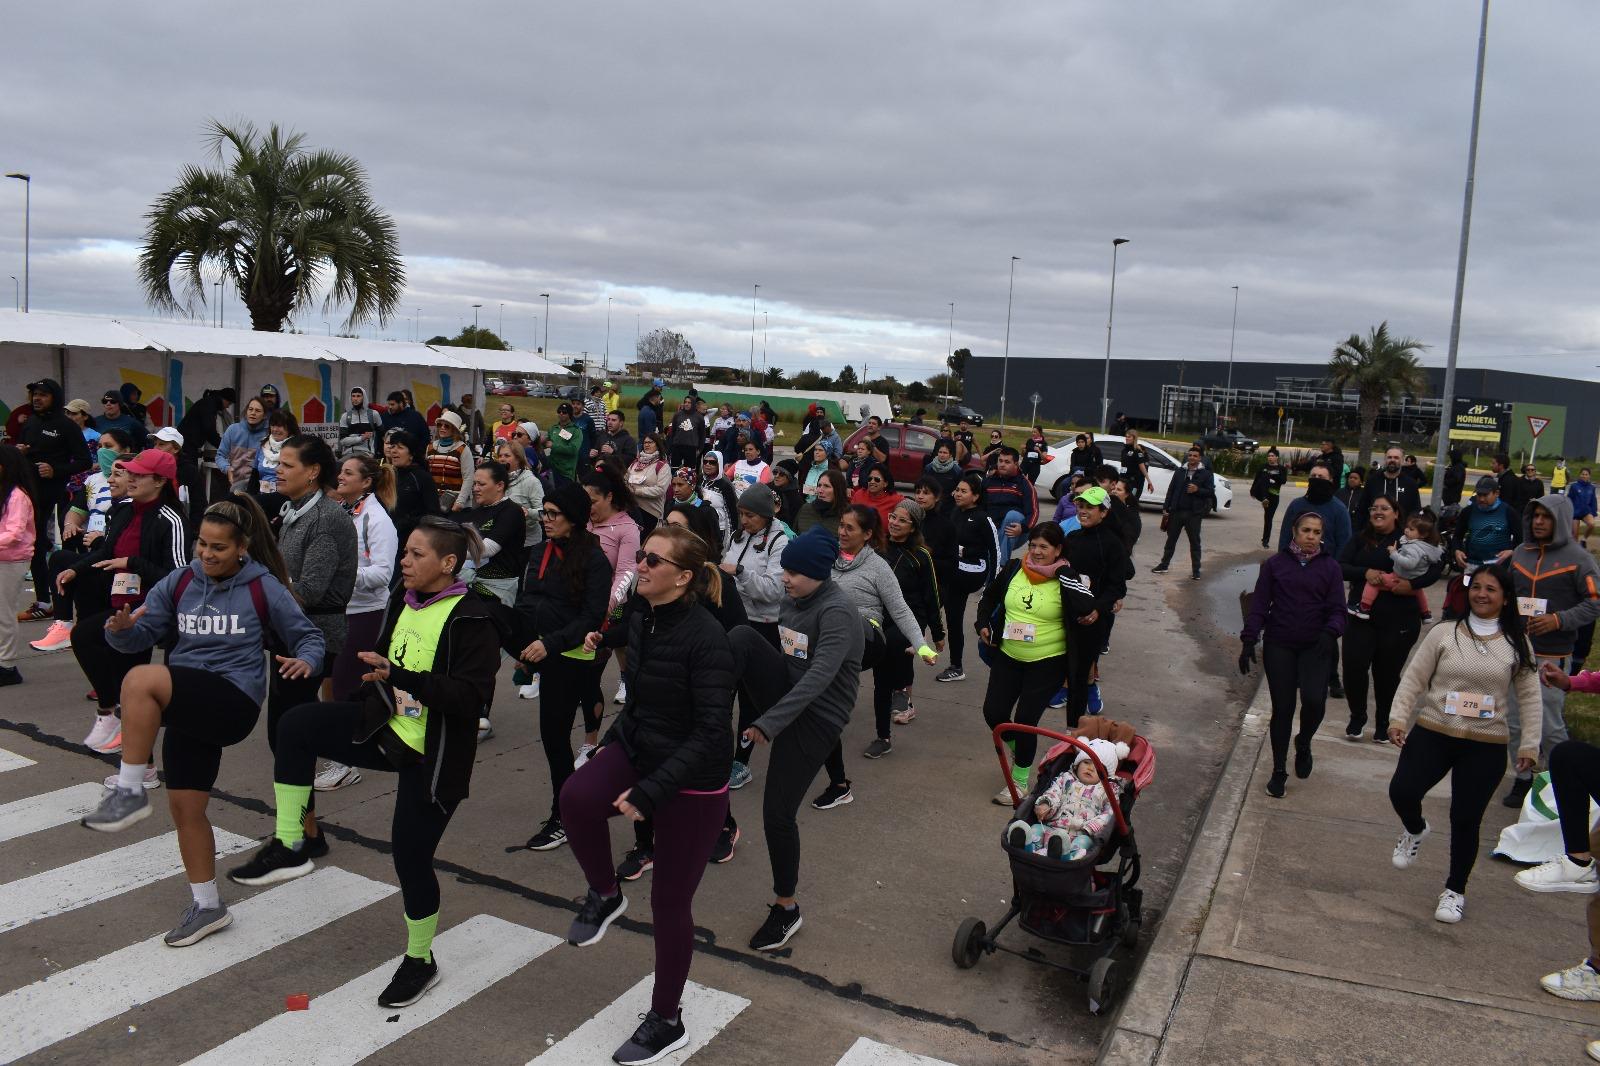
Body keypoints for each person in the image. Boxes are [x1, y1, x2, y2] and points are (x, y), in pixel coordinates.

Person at [230, 517, 501, 1010]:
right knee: (297, 725)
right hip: (384, 730)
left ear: (448, 564)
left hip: (433, 756)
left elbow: (471, 698)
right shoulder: (406, 597)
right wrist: (368, 690)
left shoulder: (473, 619)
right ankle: (293, 841)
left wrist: (403, 676)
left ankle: (421, 961)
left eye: (417, 555)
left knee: (410, 858)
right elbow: (387, 662)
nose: (405, 561)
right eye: (406, 552)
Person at [77, 496, 324, 949]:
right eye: (202, 545)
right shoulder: (179, 582)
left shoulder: (262, 586)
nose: (207, 555)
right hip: (189, 701)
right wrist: (121, 630)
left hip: (233, 700)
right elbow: (140, 637)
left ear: (242, 549)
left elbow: (308, 635)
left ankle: (130, 789)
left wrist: (306, 661)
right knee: (186, 809)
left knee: (140, 680)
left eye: (219, 548)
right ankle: (208, 905)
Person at [559, 524, 734, 1064]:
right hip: (642, 745)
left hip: (695, 781)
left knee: (669, 903)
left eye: (655, 561)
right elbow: (640, 700)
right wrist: (613, 747)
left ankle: (667, 1018)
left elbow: (710, 734)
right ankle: (606, 894)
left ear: (683, 577)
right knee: (575, 797)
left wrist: (652, 790)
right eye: (642, 557)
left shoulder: (708, 640)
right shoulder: (643, 616)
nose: (642, 565)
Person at [727, 526, 864, 951]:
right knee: (742, 637)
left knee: (777, 813)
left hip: (818, 716)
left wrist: (769, 722)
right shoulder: (793, 597)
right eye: (784, 570)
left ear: (819, 573)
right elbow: (784, 654)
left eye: (793, 573)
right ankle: (699, 701)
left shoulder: (838, 612)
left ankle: (786, 909)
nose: (784, 579)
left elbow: (819, 679)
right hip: (788, 691)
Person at [1386, 564, 1541, 924]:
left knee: (1466, 819)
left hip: (1485, 745)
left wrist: (1529, 745)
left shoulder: (1517, 644)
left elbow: (1531, 698)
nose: (1482, 595)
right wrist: (1398, 718)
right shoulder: (1444, 633)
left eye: (1491, 590)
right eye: (1477, 587)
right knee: (1402, 791)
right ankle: (1414, 828)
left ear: (1505, 599)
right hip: (1434, 731)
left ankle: (1454, 891)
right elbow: (1414, 679)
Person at [64, 448, 190, 762]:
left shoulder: (171, 519)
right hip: (122, 606)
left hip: (149, 611)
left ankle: (138, 763)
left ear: (160, 481)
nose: (129, 479)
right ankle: (111, 714)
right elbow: (106, 551)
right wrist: (75, 569)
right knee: (86, 639)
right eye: (128, 473)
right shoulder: (124, 510)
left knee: (129, 683)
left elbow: (178, 576)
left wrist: (132, 562)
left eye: (138, 474)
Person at [265, 435, 358, 849]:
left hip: (314, 637)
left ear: (313, 471)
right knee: (282, 734)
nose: (278, 470)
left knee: (290, 733)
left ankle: (304, 833)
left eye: (287, 464)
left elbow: (312, 590)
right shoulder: (292, 511)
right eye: (279, 463)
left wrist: (261, 582)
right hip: (290, 635)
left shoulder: (326, 518)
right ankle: (304, 828)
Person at [516, 484, 612, 852]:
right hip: (543, 652)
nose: (546, 519)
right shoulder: (540, 550)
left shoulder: (593, 559)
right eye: (544, 512)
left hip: (572, 657)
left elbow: (591, 616)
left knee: (555, 738)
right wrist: (524, 645)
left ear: (573, 517)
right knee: (553, 738)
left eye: (553, 514)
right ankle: (568, 807)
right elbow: (529, 600)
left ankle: (564, 815)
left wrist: (550, 643)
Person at [975, 522, 1095, 804]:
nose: (1037, 552)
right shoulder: (1014, 568)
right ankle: (1020, 747)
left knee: (1026, 720)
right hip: (1008, 654)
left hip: (1047, 661)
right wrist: (982, 624)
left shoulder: (1067, 576)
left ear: (1058, 550)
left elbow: (1085, 607)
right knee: (993, 713)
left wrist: (1064, 573)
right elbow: (989, 597)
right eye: (1033, 546)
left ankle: (1018, 782)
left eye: (1044, 547)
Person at [1499, 493, 1600, 809]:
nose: (1539, 521)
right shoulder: (1520, 553)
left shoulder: (1579, 558)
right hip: (1515, 652)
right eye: (1535, 516)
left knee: (1549, 724)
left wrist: (1559, 620)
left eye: (1546, 516)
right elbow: (1506, 594)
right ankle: (1523, 779)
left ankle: (1562, 783)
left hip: (1552, 657)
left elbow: (1595, 602)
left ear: (1559, 519)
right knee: (1515, 721)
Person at [1240, 511, 1347, 797]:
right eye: (1306, 531)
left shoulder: (1330, 568)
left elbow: (1338, 609)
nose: (1312, 537)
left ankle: (1304, 741)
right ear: (1294, 532)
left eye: (1317, 532)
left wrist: (1331, 631)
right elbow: (1260, 604)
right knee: (1283, 710)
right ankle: (1278, 770)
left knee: (1314, 702)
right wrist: (1249, 639)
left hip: (1316, 645)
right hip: (1280, 644)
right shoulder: (1275, 565)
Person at [315, 454, 398, 793]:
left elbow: (382, 575)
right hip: (335, 609)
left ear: (366, 482)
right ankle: (342, 741)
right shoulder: (342, 510)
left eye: (348, 472)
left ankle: (347, 762)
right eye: (340, 471)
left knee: (347, 683)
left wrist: (341, 575)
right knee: (331, 679)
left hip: (364, 612)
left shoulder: (378, 520)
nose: (340, 476)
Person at [1339, 496, 1441, 742]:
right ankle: (1357, 716)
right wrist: (1365, 572)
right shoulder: (1360, 538)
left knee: (1386, 674)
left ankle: (1384, 722)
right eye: (1374, 507)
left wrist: (1411, 585)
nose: (1377, 511)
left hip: (1399, 619)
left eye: (1384, 508)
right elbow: (1339, 565)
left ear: (1397, 514)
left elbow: (1437, 567)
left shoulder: (1411, 538)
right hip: (1361, 616)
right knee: (1353, 667)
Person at [18, 378, 92, 620]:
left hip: (58, 495)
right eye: (35, 394)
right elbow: (26, 448)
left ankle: (66, 601)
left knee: (59, 548)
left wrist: (55, 470)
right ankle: (43, 601)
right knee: (35, 546)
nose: (37, 398)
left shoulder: (67, 426)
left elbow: (84, 461)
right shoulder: (30, 422)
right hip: (29, 493)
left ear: (55, 398)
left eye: (43, 395)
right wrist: (21, 452)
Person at [1061, 486, 1128, 721]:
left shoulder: (1112, 544)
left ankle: (1074, 731)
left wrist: (1097, 610)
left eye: (1090, 507)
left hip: (1093, 620)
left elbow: (1117, 586)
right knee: (1063, 668)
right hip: (1066, 615)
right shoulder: (1072, 538)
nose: (1083, 511)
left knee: (1079, 675)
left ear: (1104, 512)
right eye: (1081, 506)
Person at [882, 499, 945, 726]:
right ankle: (891, 694)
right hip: (883, 614)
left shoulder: (921, 555)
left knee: (900, 647)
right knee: (885, 653)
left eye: (902, 520)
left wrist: (938, 632)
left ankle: (906, 701)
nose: (895, 523)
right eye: (892, 517)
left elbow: (932, 596)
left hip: (911, 615)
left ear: (914, 527)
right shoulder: (878, 547)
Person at [1005, 738, 1124, 860]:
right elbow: (1053, 793)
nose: (1090, 768)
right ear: (1077, 765)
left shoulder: (1108, 790)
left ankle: (1068, 856)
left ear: (1106, 774)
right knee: (1035, 829)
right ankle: (1028, 847)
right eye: (1087, 762)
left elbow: (1109, 813)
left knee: (1083, 843)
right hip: (1052, 828)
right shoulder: (1065, 779)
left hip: (1081, 833)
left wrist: (1092, 827)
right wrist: (1046, 804)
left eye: (1097, 767)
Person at [939, 472, 999, 684]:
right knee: (954, 617)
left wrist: (992, 586)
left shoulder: (983, 519)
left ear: (976, 496)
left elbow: (996, 552)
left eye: (963, 491)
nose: (957, 494)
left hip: (975, 569)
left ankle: (931, 606)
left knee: (941, 569)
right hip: (956, 572)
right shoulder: (954, 512)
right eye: (957, 490)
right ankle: (956, 666)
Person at [1352, 511, 1442, 621]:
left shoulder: (1414, 548)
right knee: (1419, 592)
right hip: (1414, 580)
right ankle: (1426, 614)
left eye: (1411, 529)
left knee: (1373, 582)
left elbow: (1409, 564)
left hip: (1399, 577)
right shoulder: (1428, 547)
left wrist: (1394, 553)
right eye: (1407, 527)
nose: (1406, 530)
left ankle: (1364, 608)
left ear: (1423, 535)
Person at [0, 445, 36, 686]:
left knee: (3, 614)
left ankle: (6, 666)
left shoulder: (17, 496)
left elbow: (14, 533)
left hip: (11, 561)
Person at [1154, 445, 1215, 580]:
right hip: (1176, 511)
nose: (1192, 457)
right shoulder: (1180, 471)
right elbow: (1171, 489)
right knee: (1171, 540)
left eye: (1195, 456)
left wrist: (1197, 489)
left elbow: (1210, 492)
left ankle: (1196, 571)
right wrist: (1166, 506)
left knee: (1194, 543)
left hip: (1193, 514)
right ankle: (1164, 565)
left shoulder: (1206, 474)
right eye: (1190, 455)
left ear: (1200, 458)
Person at [1277, 461, 1354, 560]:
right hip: (1294, 565)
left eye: (1321, 477)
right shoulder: (1296, 505)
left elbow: (1344, 544)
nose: (1316, 479)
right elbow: (1285, 537)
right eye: (1313, 476)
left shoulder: (1339, 509)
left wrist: (1335, 569)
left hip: (1325, 568)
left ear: (1331, 481)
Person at [384, 430, 441, 561]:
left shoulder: (422, 477)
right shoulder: (388, 476)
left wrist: (404, 523)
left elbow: (433, 514)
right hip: (388, 542)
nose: (394, 451)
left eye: (400, 447)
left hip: (411, 544)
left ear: (411, 454)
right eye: (392, 446)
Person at [984, 446, 1039, 561]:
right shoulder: (988, 481)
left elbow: (1033, 512)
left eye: (1007, 462)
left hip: (1016, 531)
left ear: (1016, 464)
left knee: (1013, 515)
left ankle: (1000, 565)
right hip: (991, 529)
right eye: (1000, 461)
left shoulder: (1024, 484)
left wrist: (1023, 528)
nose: (1002, 464)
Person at [1352, 446, 1423, 531]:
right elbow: (1362, 509)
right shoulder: (1373, 481)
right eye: (1389, 457)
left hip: (1401, 534)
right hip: (1373, 534)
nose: (1392, 460)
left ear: (1402, 460)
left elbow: (1415, 511)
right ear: (1385, 459)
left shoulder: (1410, 484)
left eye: (1396, 458)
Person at [217, 396, 268, 497]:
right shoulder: (233, 430)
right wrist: (227, 468)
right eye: (250, 409)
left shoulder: (268, 435)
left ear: (264, 415)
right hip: (234, 486)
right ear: (246, 411)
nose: (253, 413)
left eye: (257, 411)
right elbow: (220, 456)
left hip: (259, 489)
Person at [425, 410, 475, 512]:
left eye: (447, 426)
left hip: (456, 506)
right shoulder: (430, 447)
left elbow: (469, 477)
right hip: (435, 503)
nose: (442, 428)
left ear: (454, 430)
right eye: (440, 425)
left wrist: (460, 502)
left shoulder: (463, 449)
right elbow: (427, 475)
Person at [254, 408, 298, 499]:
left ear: (290, 428)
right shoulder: (263, 444)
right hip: (262, 494)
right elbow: (254, 475)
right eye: (273, 425)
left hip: (285, 496)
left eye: (280, 426)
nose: (275, 429)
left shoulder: (296, 447)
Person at [1250, 448, 1288, 549]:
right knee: (1264, 477)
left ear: (1277, 457)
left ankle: (1265, 540)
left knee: (1268, 518)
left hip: (1274, 495)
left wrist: (1274, 475)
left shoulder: (1281, 469)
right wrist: (1252, 491)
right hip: (1262, 493)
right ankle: (1264, 498)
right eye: (1269, 456)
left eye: (1272, 456)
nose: (1270, 458)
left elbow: (1283, 481)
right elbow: (1257, 479)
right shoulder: (1263, 467)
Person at [699, 451, 740, 540]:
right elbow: (695, 500)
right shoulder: (699, 480)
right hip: (700, 526)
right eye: (705, 462)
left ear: (719, 464)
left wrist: (731, 538)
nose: (707, 464)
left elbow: (732, 514)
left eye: (712, 462)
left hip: (717, 529)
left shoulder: (725, 485)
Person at [336, 386, 384, 459]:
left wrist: (380, 454)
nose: (355, 399)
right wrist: (361, 438)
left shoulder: (373, 414)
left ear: (363, 397)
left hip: (368, 454)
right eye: (353, 396)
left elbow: (382, 435)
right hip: (348, 454)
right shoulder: (345, 416)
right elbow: (342, 440)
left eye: (358, 396)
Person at [1121, 430, 1155, 503]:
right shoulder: (1124, 451)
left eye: (1129, 437)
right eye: (1126, 437)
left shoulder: (1137, 451)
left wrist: (1149, 482)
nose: (1126, 438)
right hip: (1123, 480)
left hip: (1134, 482)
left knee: (1131, 501)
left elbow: (1142, 467)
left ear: (1134, 438)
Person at [1571, 468, 1598, 548]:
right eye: (1583, 474)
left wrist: (1593, 512)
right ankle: (1575, 551)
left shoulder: (1592, 488)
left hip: (1586, 512)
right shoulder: (1574, 486)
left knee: (1592, 524)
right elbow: (1569, 499)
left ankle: (1584, 540)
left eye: (1586, 474)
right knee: (1574, 535)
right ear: (1580, 475)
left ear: (1589, 476)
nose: (1584, 476)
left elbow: (1593, 500)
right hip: (1575, 513)